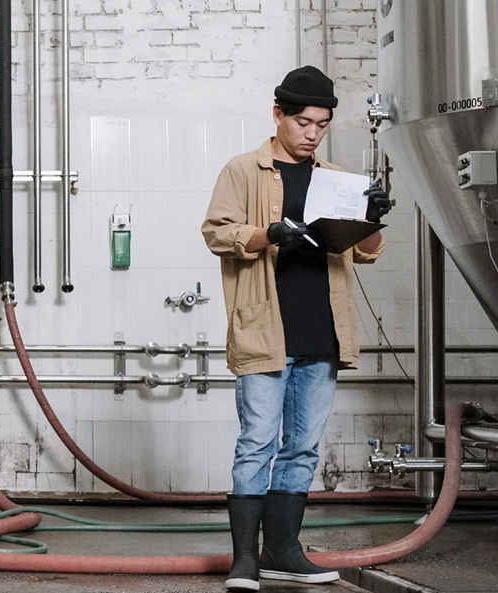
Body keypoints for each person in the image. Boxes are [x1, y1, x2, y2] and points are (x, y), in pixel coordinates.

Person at [201, 65, 391, 592]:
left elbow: (365, 254)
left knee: (302, 448)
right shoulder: (243, 170)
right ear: (279, 114)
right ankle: (245, 559)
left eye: (322, 125)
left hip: (322, 331)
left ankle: (282, 551)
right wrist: (267, 233)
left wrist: (373, 219)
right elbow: (216, 233)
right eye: (304, 121)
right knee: (257, 442)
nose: (312, 133)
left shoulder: (335, 180)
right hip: (265, 330)